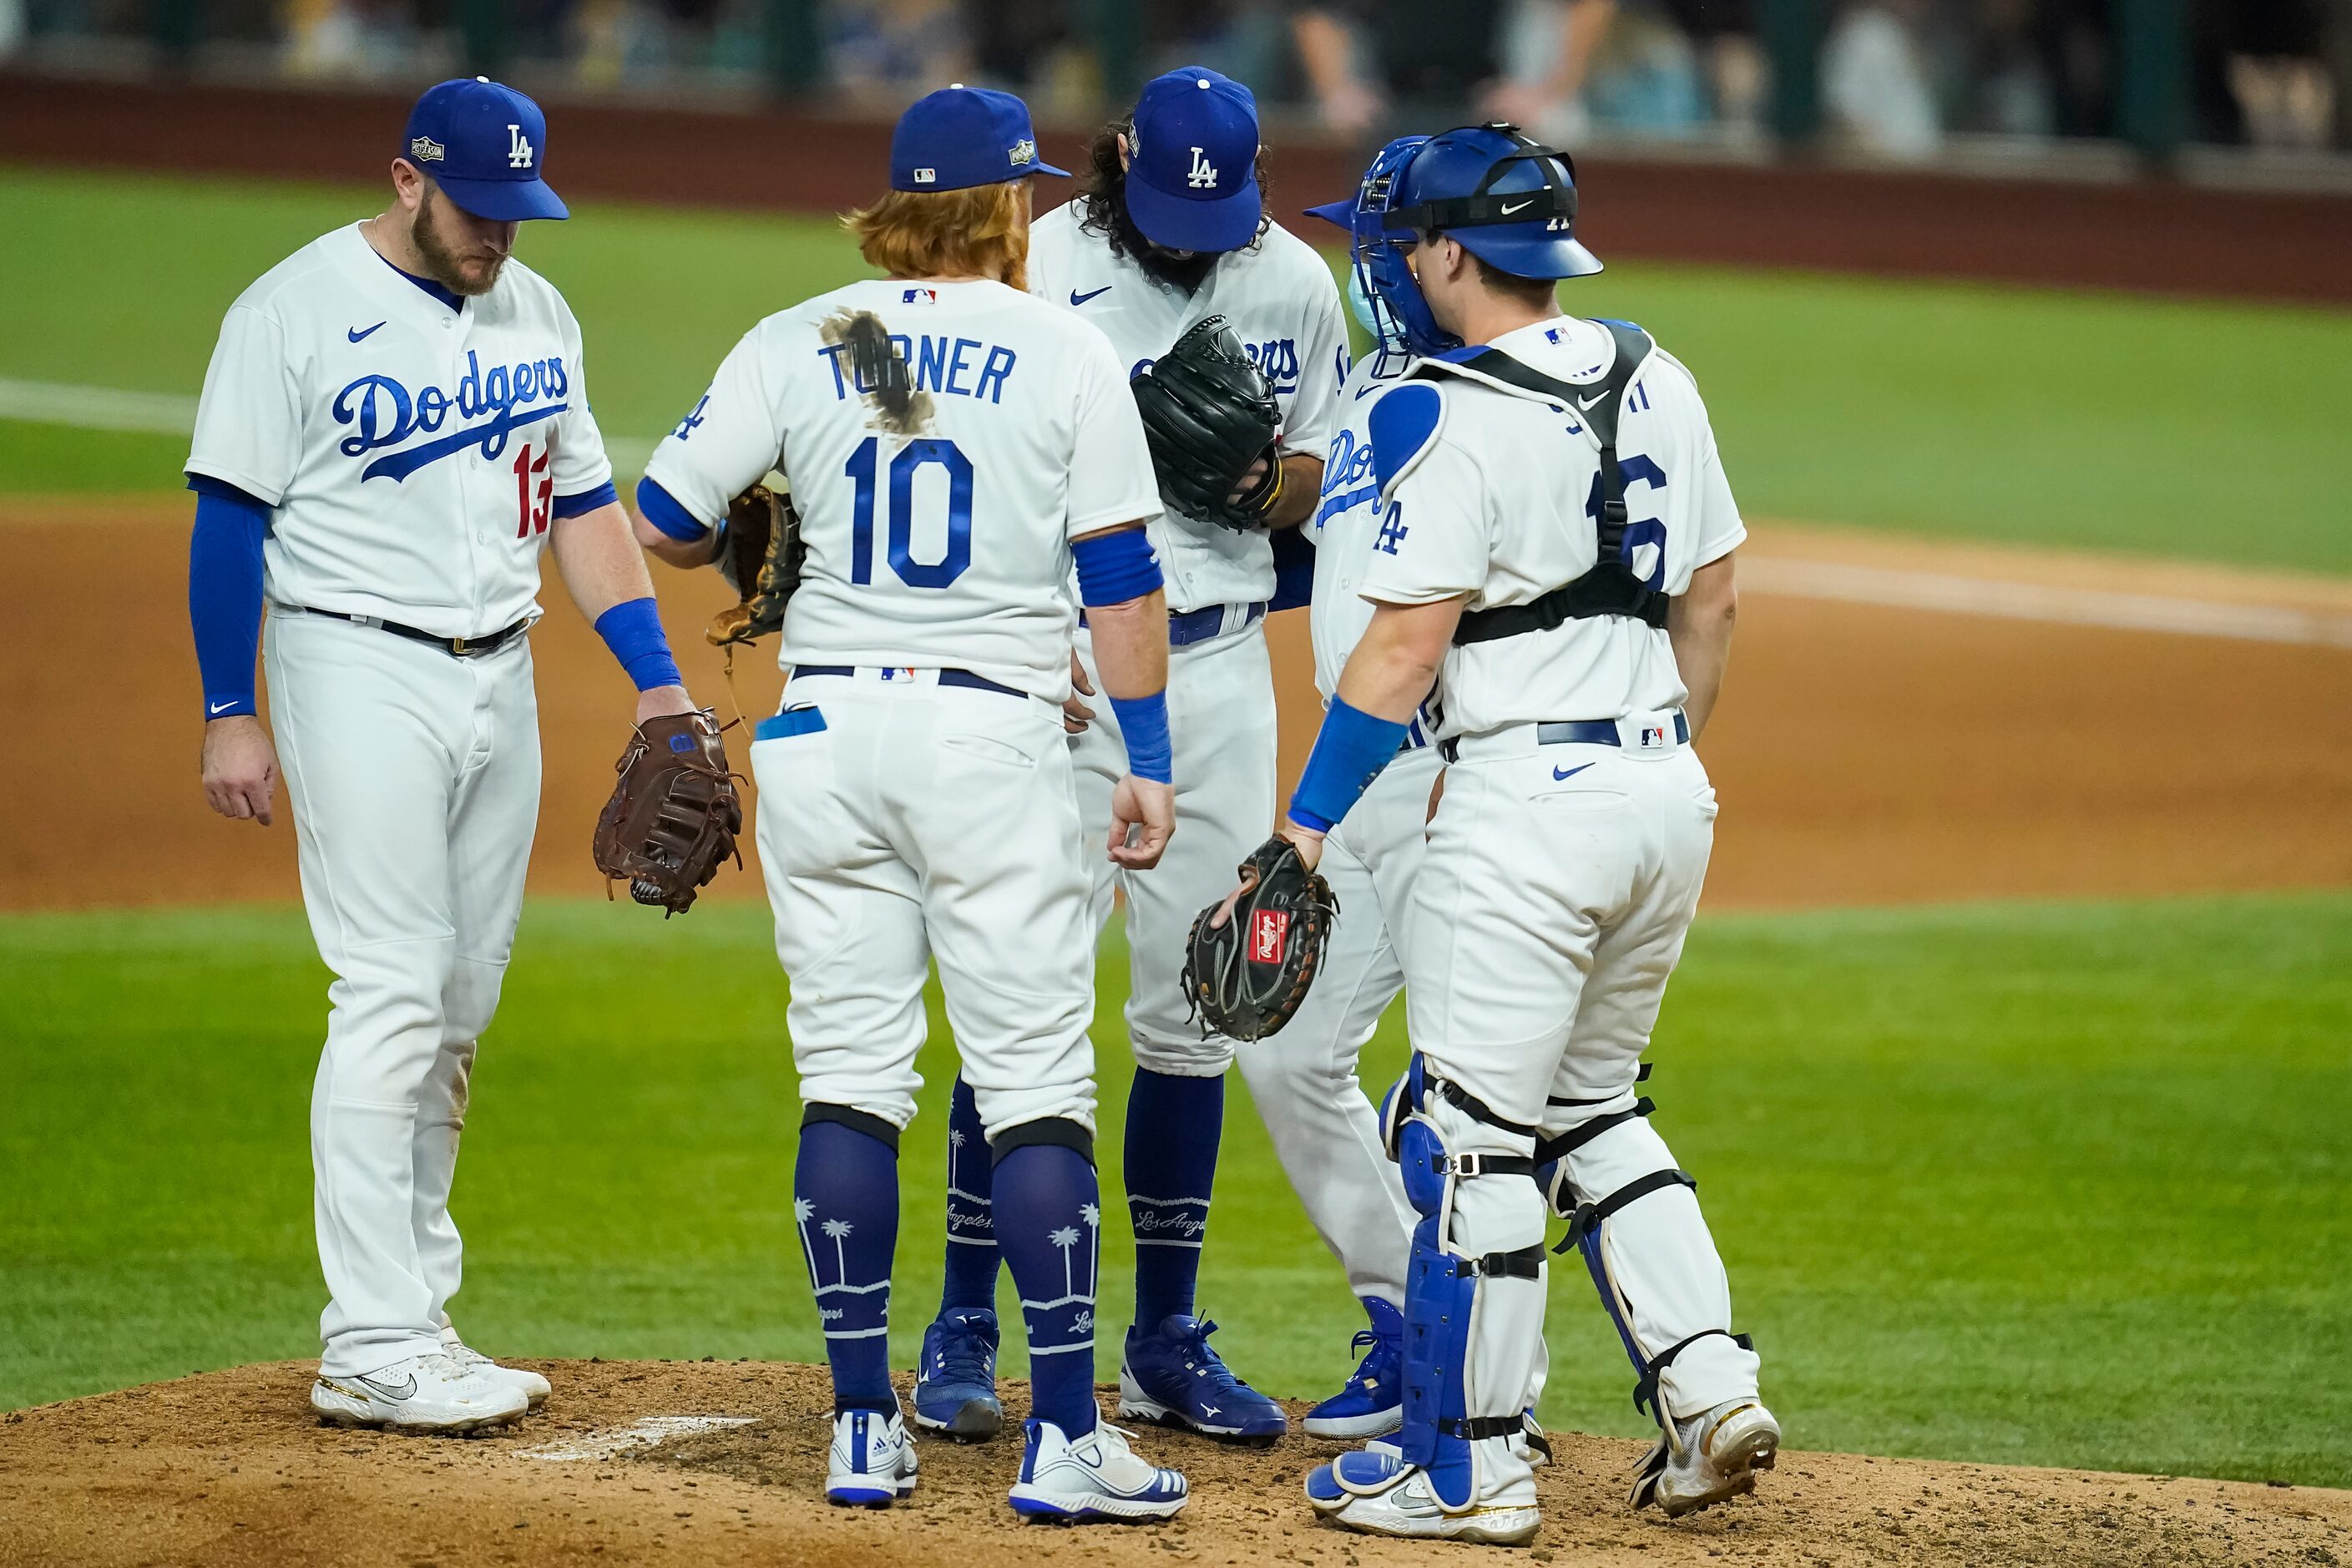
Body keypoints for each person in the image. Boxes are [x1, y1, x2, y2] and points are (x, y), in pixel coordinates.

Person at [630, 84, 1190, 1521]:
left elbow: (667, 518)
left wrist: (767, 529)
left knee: (851, 1075)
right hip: (989, 741)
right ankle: (1063, 1437)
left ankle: (861, 1424)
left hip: (822, 734)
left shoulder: (807, 336)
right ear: (1010, 208)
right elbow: (1122, 577)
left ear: (892, 210)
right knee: (1035, 1084)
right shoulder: (1064, 347)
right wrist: (1147, 754)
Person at [1257, 123, 1775, 1542]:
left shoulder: (1444, 407)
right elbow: (1714, 593)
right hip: (1666, 791)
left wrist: (1304, 828)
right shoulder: (1653, 370)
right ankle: (1708, 1381)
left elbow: (1401, 646)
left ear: (1441, 253)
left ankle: (1473, 1469)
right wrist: (1656, 751)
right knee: (1597, 1107)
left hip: (1520, 810)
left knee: (1467, 1138)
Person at [188, 77, 711, 1434]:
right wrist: (223, 706)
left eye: (518, 214)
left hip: (502, 671)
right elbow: (229, 520)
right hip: (354, 662)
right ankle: (365, 1335)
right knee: (391, 989)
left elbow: (584, 505)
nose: (499, 238)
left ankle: (413, 1315)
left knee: (460, 1006)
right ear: (408, 180)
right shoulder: (290, 309)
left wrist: (658, 686)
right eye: (479, 212)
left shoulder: (538, 312)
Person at [908, 65, 1348, 1449]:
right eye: (1165, 212)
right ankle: (962, 1325)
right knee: (1019, 999)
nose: (1187, 242)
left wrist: (1251, 478)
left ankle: (1162, 1336)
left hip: (1218, 667)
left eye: (1211, 221)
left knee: (1196, 1010)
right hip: (1052, 670)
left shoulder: (1294, 284)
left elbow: (1320, 473)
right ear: (1114, 163)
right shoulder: (1033, 263)